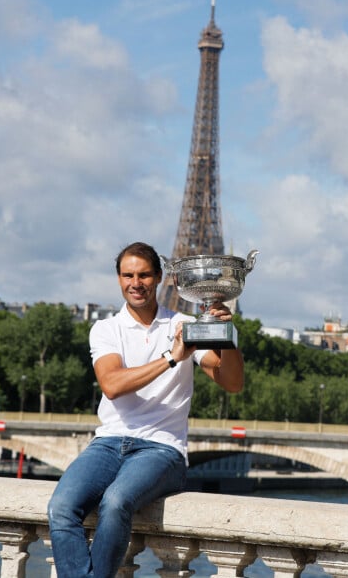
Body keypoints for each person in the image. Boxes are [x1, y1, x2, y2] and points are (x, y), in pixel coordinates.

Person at [48, 241, 244, 577]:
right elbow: (112, 384)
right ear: (119, 279)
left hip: (162, 449)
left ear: (159, 279)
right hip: (108, 443)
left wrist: (226, 337)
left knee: (116, 502)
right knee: (61, 507)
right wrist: (172, 358)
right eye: (128, 275)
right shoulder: (106, 329)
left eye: (143, 275)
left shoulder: (182, 324)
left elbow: (232, 382)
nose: (135, 283)